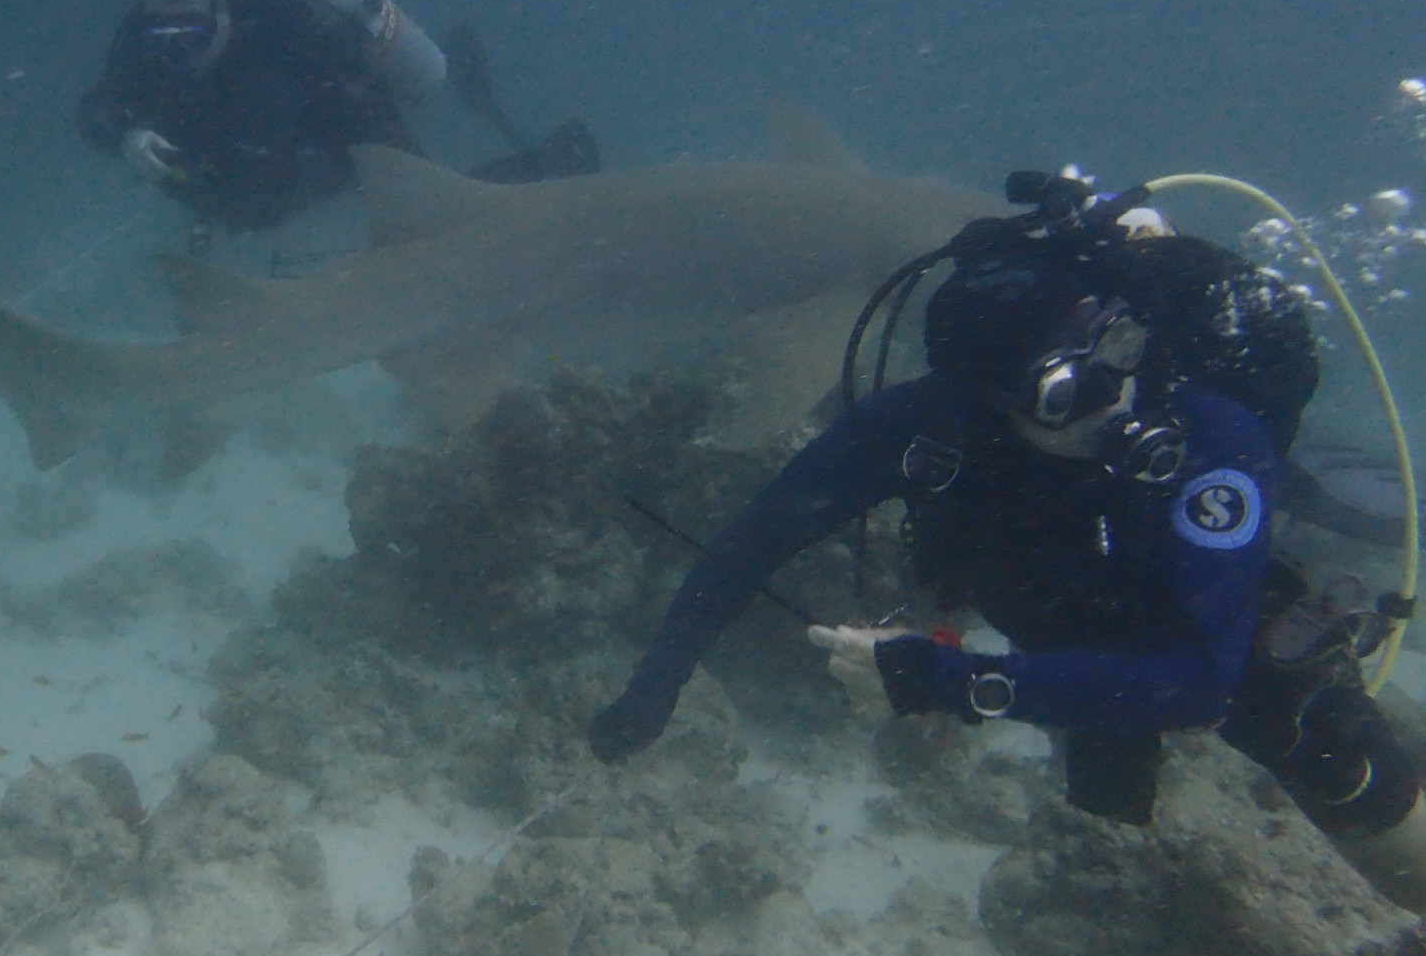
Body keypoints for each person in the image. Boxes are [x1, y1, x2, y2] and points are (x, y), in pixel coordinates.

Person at [588, 168, 1426, 913]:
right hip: (1063, 627)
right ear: (985, 401)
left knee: (1324, 745)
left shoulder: (1207, 430)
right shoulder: (921, 428)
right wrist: (653, 687)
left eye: (1116, 352)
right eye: (1068, 395)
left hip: (1201, 618)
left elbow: (1198, 684)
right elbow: (749, 544)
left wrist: (956, 681)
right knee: (1108, 823)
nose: (1115, 401)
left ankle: (1325, 512)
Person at [77, 0, 599, 245]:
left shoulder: (276, 34)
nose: (174, 55)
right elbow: (95, 107)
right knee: (243, 201)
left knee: (438, 213)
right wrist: (125, 135)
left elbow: (275, 160)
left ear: (219, 11)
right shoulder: (141, 40)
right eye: (161, 38)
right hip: (250, 153)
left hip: (338, 119)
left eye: (188, 38)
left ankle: (554, 157)